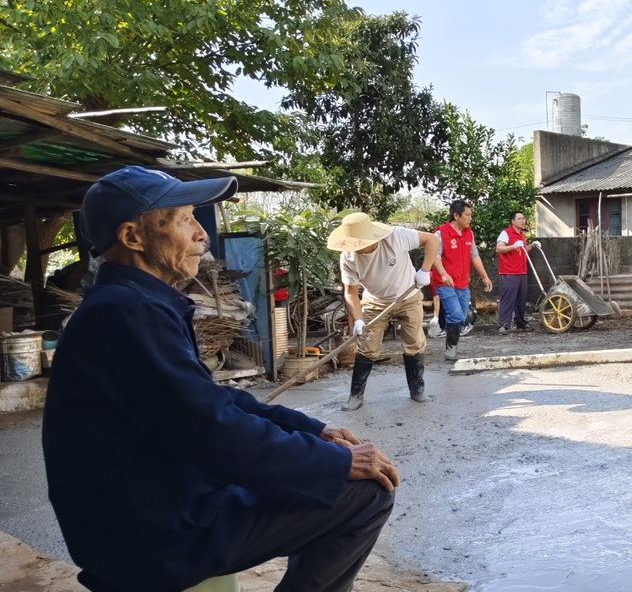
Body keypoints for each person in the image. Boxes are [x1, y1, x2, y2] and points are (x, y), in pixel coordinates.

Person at [43, 167, 399, 592]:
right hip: (155, 535)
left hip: (151, 511)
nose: (201, 234)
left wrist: (314, 430)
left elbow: (207, 401)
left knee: (319, 480)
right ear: (132, 237)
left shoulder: (130, 303)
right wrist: (337, 462)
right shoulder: (126, 312)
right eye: (184, 220)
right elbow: (213, 429)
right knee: (365, 496)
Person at [328, 212, 439, 410]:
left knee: (414, 342)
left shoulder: (395, 237)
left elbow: (431, 239)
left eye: (360, 244)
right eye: (354, 245)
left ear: (373, 237)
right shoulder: (349, 257)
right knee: (367, 347)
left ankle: (417, 390)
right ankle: (356, 396)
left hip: (408, 295)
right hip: (375, 301)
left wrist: (425, 270)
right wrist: (358, 319)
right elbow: (350, 293)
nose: (358, 249)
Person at [432, 200, 493, 360]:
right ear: (456, 215)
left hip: (461, 283)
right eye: (467, 215)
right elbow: (434, 256)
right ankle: (451, 350)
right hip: (444, 283)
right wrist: (444, 274)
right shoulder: (440, 233)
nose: (470, 218)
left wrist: (485, 276)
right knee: (457, 315)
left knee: (460, 317)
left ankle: (450, 347)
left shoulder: (469, 233)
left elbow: (474, 256)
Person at [495, 211, 540, 334]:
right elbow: (499, 248)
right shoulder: (506, 233)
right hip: (509, 272)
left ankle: (520, 323)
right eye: (519, 219)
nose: (523, 220)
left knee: (521, 299)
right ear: (513, 221)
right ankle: (503, 325)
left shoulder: (521, 235)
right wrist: (513, 246)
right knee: (508, 299)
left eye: (523, 218)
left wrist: (532, 245)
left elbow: (522, 250)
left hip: (522, 271)